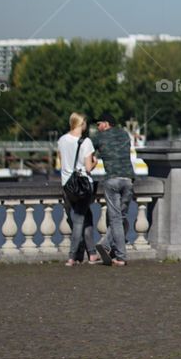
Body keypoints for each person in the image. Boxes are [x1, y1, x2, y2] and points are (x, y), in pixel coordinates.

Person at [91, 112, 134, 267]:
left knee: (115, 219)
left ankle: (121, 257)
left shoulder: (99, 137)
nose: (98, 127)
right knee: (120, 217)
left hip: (113, 181)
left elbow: (87, 148)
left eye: (98, 124)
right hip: (128, 180)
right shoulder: (125, 134)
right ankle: (106, 245)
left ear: (106, 123)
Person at [57, 112, 99, 266]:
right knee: (80, 220)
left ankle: (92, 254)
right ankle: (72, 256)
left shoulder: (61, 140)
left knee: (86, 218)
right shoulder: (86, 142)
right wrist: (95, 161)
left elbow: (62, 163)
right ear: (82, 124)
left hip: (67, 185)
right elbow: (88, 168)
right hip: (82, 186)